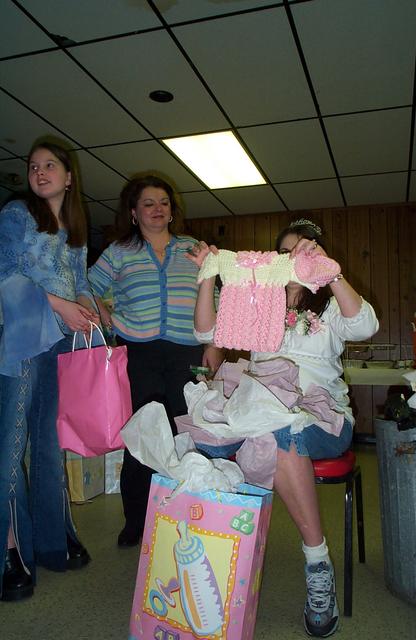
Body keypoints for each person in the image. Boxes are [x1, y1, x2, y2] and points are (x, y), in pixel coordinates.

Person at [186, 218, 379, 638]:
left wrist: (331, 272)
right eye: (286, 252)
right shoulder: (259, 298)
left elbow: (365, 325)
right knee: (203, 443)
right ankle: (206, 564)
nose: (294, 258)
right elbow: (206, 332)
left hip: (322, 417)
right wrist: (208, 276)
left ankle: (317, 563)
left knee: (281, 432)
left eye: (305, 250)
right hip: (261, 412)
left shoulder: (328, 305)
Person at [88, 174, 224, 548]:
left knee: (186, 433)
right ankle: (136, 520)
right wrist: (107, 317)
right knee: (143, 436)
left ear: (172, 211)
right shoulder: (118, 252)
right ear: (133, 213)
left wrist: (214, 344)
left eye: (163, 202)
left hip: (187, 352)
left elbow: (214, 298)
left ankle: (182, 516)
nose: (157, 209)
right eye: (148, 203)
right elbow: (86, 286)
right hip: (139, 354)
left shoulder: (192, 249)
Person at [0, 140, 99, 601]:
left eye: (50, 165)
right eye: (33, 166)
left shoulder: (74, 229)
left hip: (59, 342)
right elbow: (5, 272)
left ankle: (52, 536)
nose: (40, 172)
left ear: (69, 176)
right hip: (22, 338)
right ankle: (10, 547)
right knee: (10, 445)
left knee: (48, 444)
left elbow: (80, 282)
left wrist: (88, 310)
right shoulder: (17, 213)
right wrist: (61, 304)